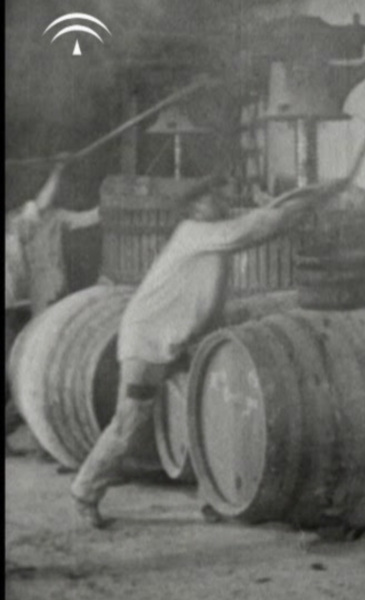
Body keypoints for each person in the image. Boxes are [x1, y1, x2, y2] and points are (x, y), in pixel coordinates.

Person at [70, 174, 347, 528]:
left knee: (209, 411)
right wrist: (311, 201)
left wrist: (309, 197)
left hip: (178, 340)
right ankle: (84, 490)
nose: (220, 201)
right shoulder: (194, 233)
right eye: (212, 197)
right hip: (146, 341)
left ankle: (214, 497)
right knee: (129, 422)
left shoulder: (210, 236)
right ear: (195, 206)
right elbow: (255, 228)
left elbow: (261, 222)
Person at [5, 160, 100, 448]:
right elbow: (38, 206)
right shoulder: (17, 221)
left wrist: (111, 203)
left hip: (45, 292)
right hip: (30, 297)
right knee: (29, 360)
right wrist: (57, 171)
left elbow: (86, 218)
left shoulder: (53, 217)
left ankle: (30, 426)